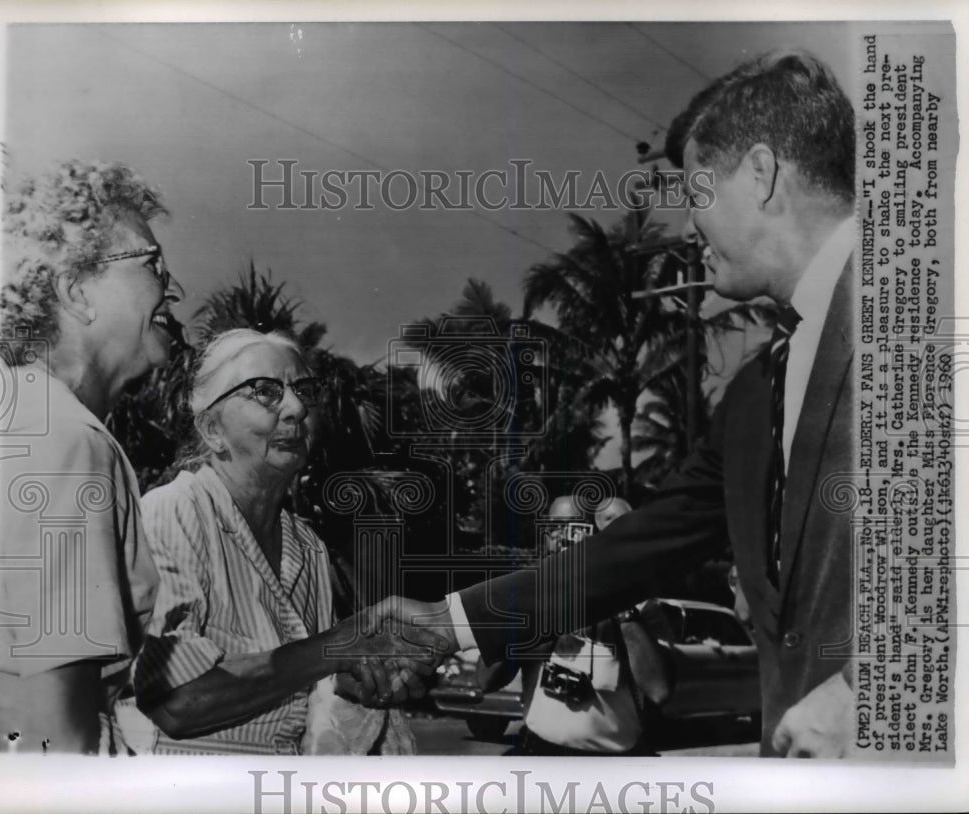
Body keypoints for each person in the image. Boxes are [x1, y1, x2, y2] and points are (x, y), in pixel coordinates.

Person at [370, 49, 858, 758]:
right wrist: (448, 624)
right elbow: (642, 545)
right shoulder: (757, 394)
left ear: (761, 175)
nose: (691, 229)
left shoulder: (935, 310)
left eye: (697, 193)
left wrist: (870, 687)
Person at [127, 330, 440, 755]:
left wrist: (360, 678)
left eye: (305, 390)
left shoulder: (306, 546)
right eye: (264, 392)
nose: (296, 408)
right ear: (212, 429)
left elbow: (304, 680)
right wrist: (339, 646)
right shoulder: (173, 514)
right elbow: (176, 702)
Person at [0, 159, 185, 753]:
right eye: (150, 264)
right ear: (76, 293)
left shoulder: (21, 415)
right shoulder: (63, 440)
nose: (172, 288)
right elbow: (56, 722)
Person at [485, 496, 668, 757]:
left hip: (613, 768)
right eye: (552, 527)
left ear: (593, 533)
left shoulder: (641, 602)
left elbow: (659, 689)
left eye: (573, 527)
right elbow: (486, 681)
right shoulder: (529, 593)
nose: (561, 536)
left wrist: (615, 596)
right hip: (538, 756)